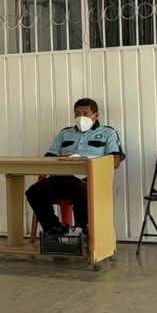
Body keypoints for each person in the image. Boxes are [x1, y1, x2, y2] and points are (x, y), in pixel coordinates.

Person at [26, 97, 125, 235]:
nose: (81, 117)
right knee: (34, 191)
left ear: (96, 115)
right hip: (62, 178)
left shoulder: (108, 133)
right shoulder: (65, 133)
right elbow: (49, 157)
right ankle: (55, 228)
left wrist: (88, 159)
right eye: (77, 114)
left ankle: (81, 231)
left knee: (81, 189)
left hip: (89, 180)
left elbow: (115, 161)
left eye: (85, 113)